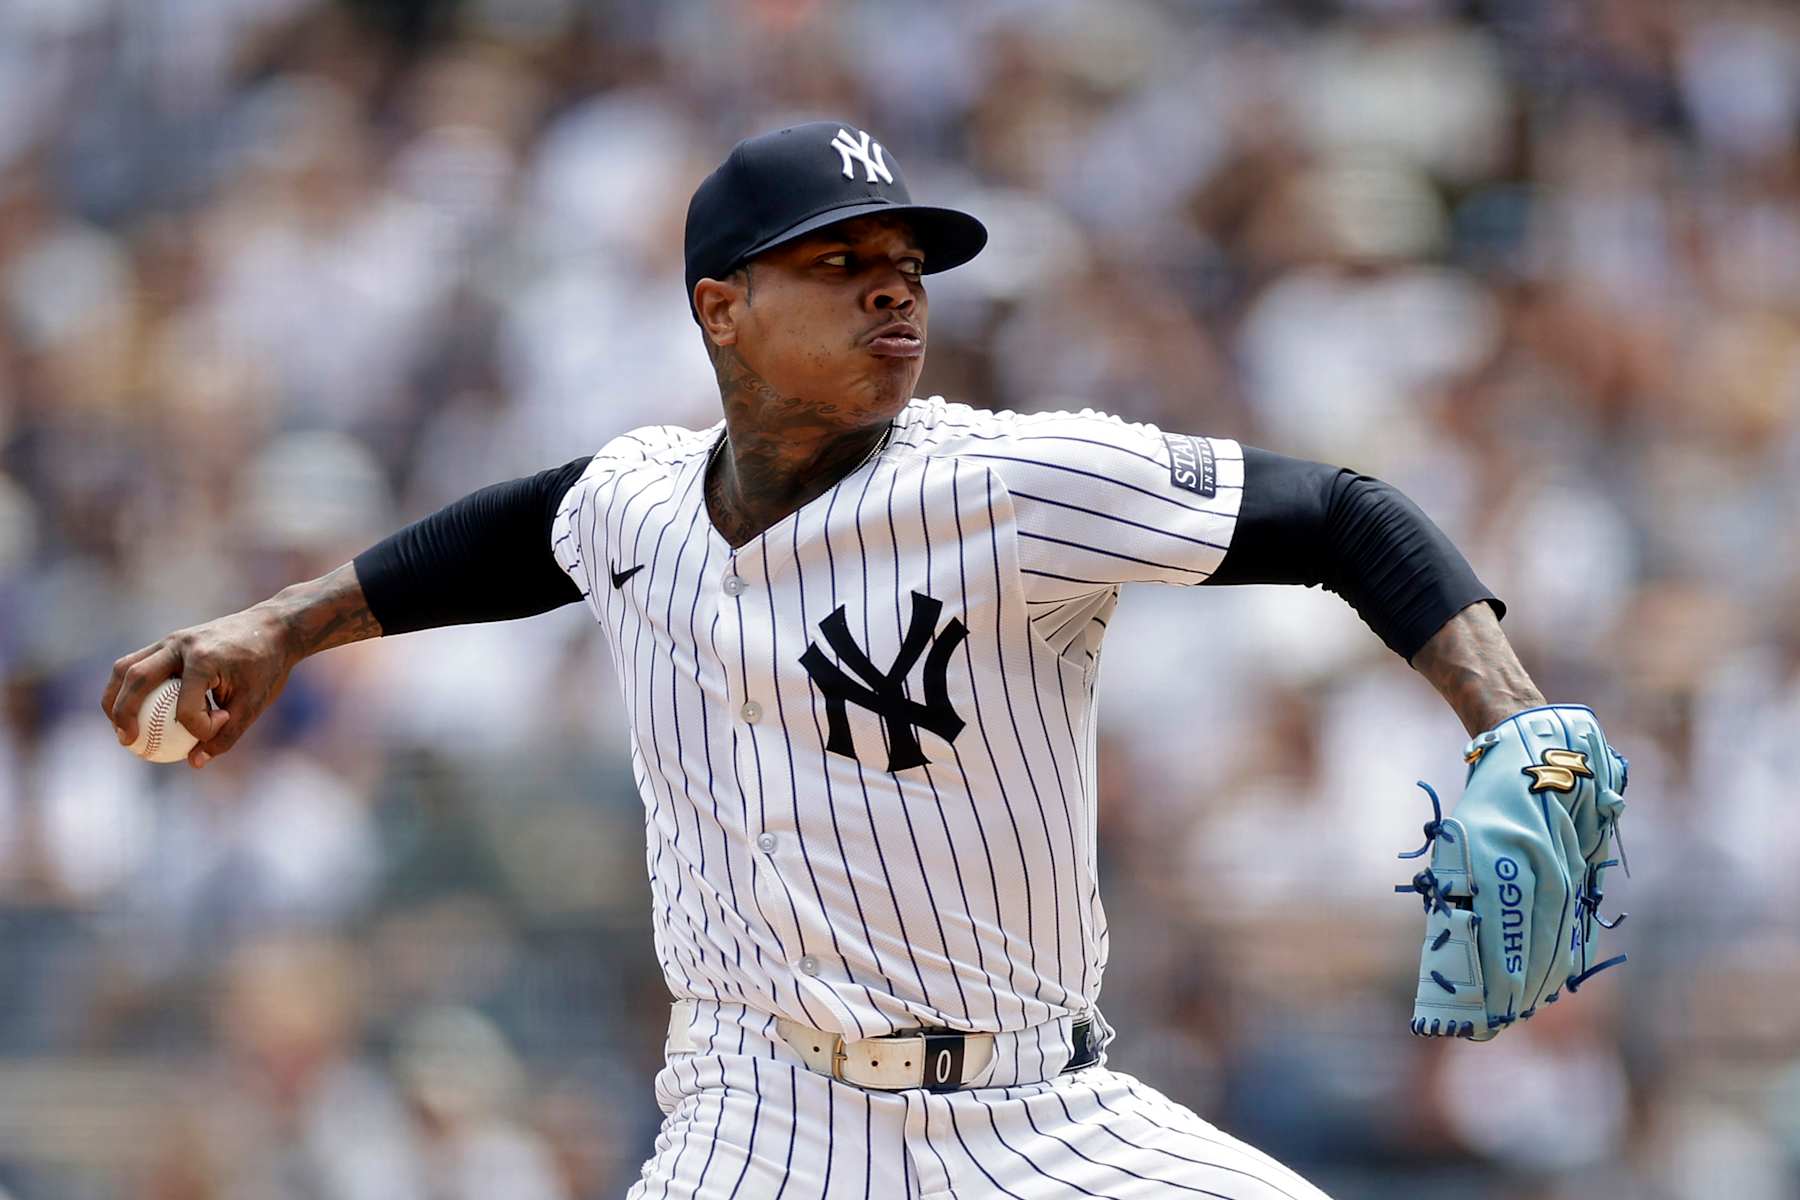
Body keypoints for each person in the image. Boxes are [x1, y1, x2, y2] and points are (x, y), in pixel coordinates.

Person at [104, 122, 1599, 1198]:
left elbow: (1341, 512)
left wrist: (1505, 713)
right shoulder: (637, 500)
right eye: (840, 262)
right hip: (756, 1114)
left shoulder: (1016, 485)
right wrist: (288, 620)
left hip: (1039, 1118)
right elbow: (517, 533)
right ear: (723, 309)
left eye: (908, 263)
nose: (897, 290)